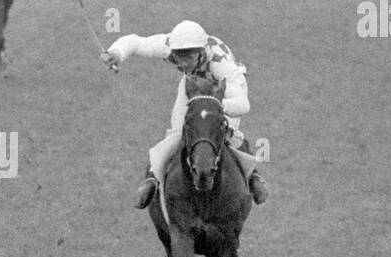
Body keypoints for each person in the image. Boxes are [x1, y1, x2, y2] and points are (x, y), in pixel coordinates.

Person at [100, 20, 270, 209]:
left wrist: (216, 106)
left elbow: (243, 104)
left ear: (200, 53)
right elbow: (136, 42)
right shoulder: (170, 47)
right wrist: (116, 53)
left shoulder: (222, 65)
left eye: (187, 58)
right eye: (178, 57)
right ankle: (152, 179)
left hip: (222, 90)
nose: (181, 62)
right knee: (177, 132)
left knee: (223, 132)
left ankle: (253, 175)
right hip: (193, 83)